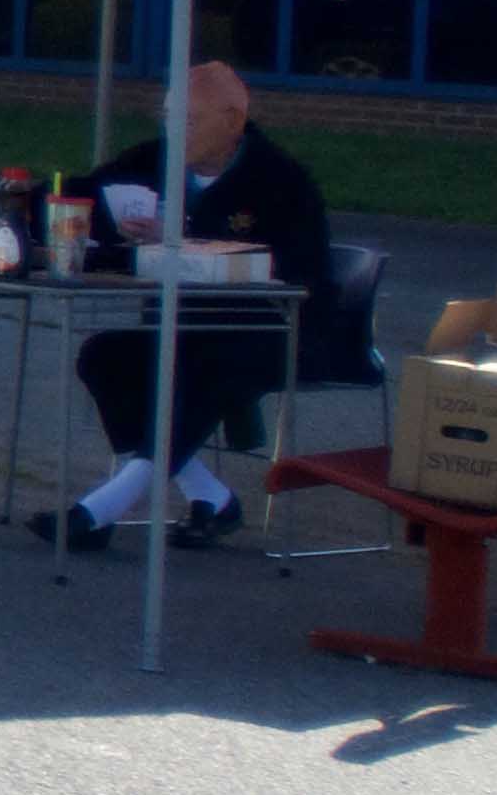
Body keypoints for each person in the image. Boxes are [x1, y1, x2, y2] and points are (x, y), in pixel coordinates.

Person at [34, 60, 337, 554]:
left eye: (190, 121)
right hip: (180, 322)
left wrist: (189, 240)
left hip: (273, 330)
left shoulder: (282, 181)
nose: (175, 131)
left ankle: (103, 508)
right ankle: (211, 497)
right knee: (105, 359)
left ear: (234, 120)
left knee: (204, 369)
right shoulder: (156, 160)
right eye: (170, 118)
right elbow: (70, 195)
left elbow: (302, 269)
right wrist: (57, 212)